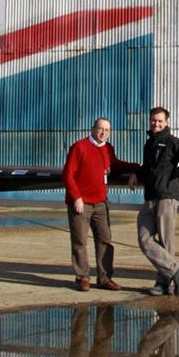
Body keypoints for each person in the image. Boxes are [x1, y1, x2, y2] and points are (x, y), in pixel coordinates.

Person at [63, 118, 139, 291]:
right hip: (80, 204)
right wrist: (76, 197)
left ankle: (105, 278)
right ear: (92, 129)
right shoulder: (79, 147)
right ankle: (82, 277)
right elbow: (68, 174)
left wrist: (137, 169)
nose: (103, 132)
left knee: (105, 240)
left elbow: (117, 164)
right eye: (100, 129)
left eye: (107, 130)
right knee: (80, 241)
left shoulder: (107, 148)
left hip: (100, 203)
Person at [135, 107, 179, 296]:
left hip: (166, 196)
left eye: (160, 121)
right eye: (153, 120)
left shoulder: (172, 142)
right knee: (143, 238)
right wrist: (136, 174)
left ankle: (163, 284)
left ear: (166, 122)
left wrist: (172, 175)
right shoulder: (149, 144)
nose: (156, 124)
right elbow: (147, 167)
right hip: (150, 196)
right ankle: (176, 269)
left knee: (165, 241)